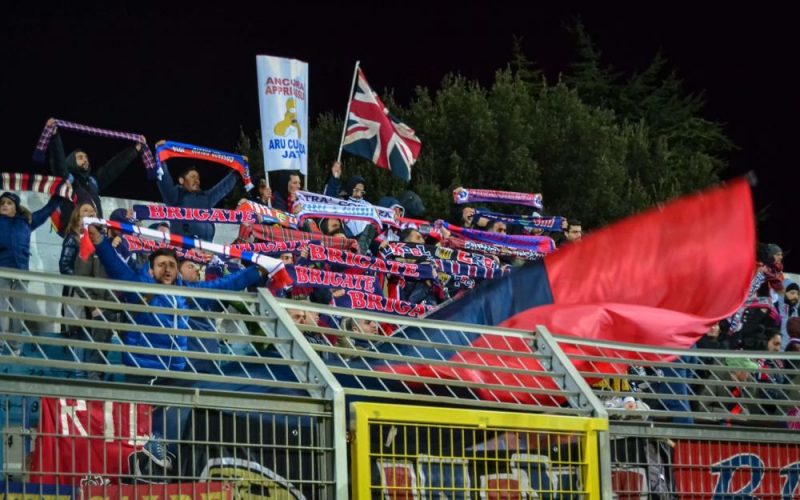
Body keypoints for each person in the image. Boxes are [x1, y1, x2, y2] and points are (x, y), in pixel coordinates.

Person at [87, 225, 265, 383]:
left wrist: (257, 270)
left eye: (171, 265)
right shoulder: (139, 289)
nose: (167, 269)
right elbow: (115, 266)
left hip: (175, 374)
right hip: (141, 373)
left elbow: (224, 284)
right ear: (150, 269)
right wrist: (100, 242)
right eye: (161, 265)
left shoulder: (186, 292)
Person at [44, 118, 146, 220]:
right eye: (80, 157)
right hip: (76, 231)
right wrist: (55, 136)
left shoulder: (93, 182)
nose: (85, 160)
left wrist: (135, 150)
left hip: (96, 231)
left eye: (86, 158)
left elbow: (113, 167)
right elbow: (58, 161)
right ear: (71, 162)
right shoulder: (68, 179)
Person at [1, 191, 64, 354]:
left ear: (16, 206)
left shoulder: (26, 221)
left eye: (8, 203)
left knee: (17, 313)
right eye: (2, 204)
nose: (5, 206)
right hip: (2, 271)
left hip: (22, 273)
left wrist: (60, 193)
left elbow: (47, 210)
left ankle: (15, 347)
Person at [155, 140, 238, 242]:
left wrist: (238, 170)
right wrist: (160, 158)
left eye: (198, 178)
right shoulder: (175, 196)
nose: (197, 180)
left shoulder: (206, 197)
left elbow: (223, 188)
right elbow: (164, 179)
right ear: (182, 180)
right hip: (185, 250)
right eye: (192, 176)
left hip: (207, 249)